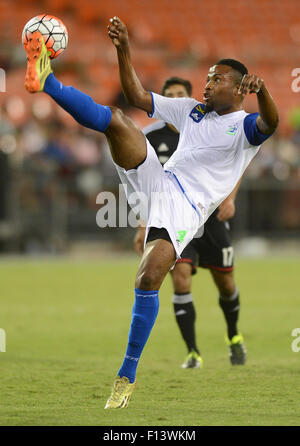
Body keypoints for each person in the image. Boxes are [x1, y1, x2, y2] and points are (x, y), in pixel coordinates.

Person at [23, 16, 279, 409]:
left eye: (216, 79)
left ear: (238, 87)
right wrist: (124, 50)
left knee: (148, 277)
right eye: (207, 77)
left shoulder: (243, 128)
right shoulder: (192, 110)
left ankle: (126, 375)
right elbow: (139, 95)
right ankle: (47, 82)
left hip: (186, 210)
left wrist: (264, 94)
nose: (207, 84)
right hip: (158, 182)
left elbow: (271, 122)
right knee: (119, 120)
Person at [135, 76, 245, 369]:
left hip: (209, 218)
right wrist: (144, 222)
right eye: (168, 94)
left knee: (225, 282)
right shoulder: (151, 136)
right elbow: (145, 184)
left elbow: (236, 165)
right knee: (181, 280)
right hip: (173, 219)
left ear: (188, 97)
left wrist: (229, 199)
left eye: (179, 93)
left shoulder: (208, 126)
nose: (174, 97)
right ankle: (193, 352)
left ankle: (233, 335)